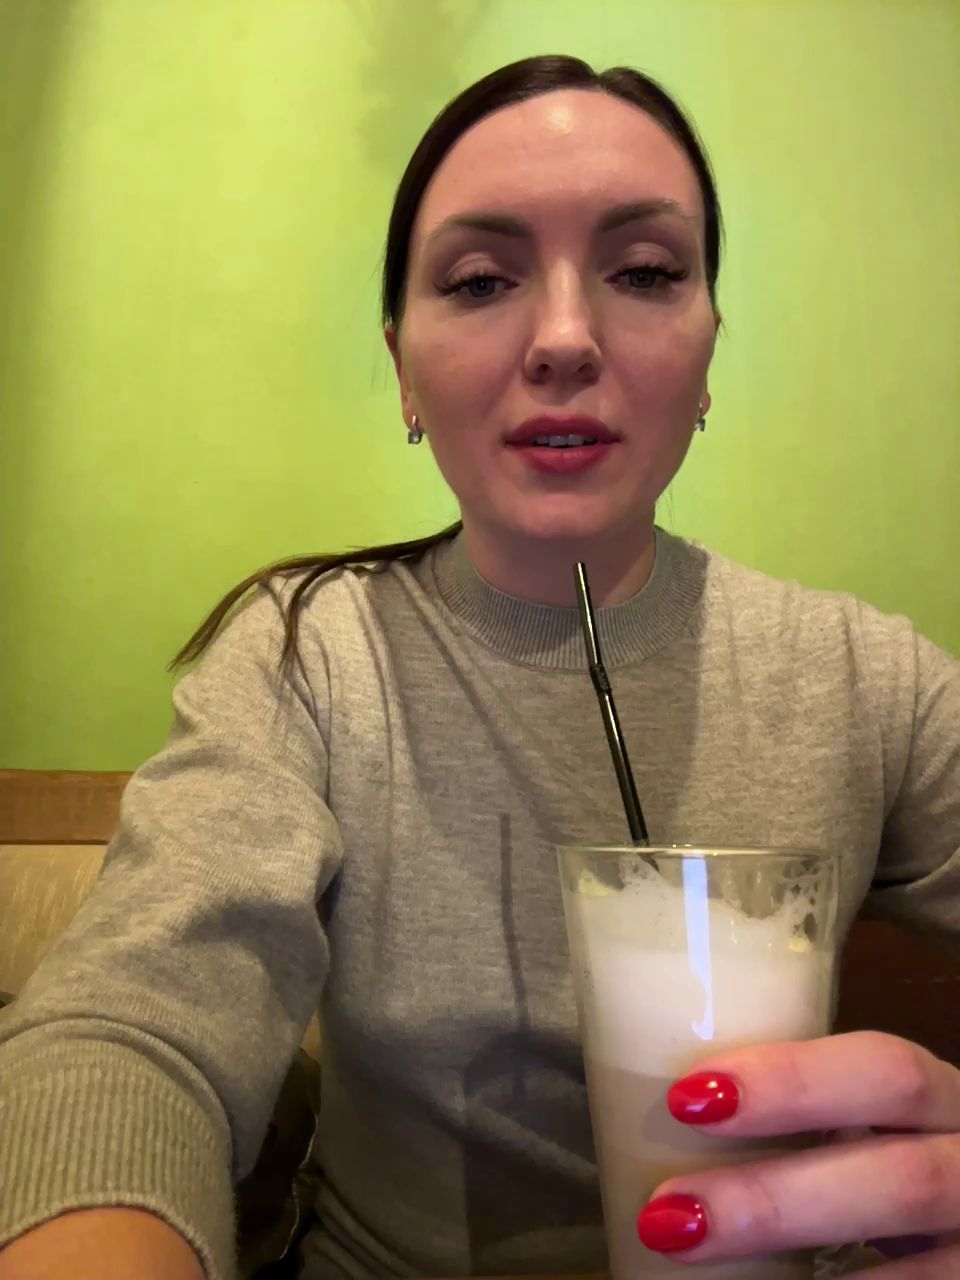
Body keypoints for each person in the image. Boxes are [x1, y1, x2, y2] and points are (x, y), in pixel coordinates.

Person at [1, 52, 958, 1280]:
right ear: (404, 366)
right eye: (481, 280)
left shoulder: (865, 678)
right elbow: (136, 1023)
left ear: (710, 348)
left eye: (645, 271)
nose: (564, 339)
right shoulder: (312, 656)